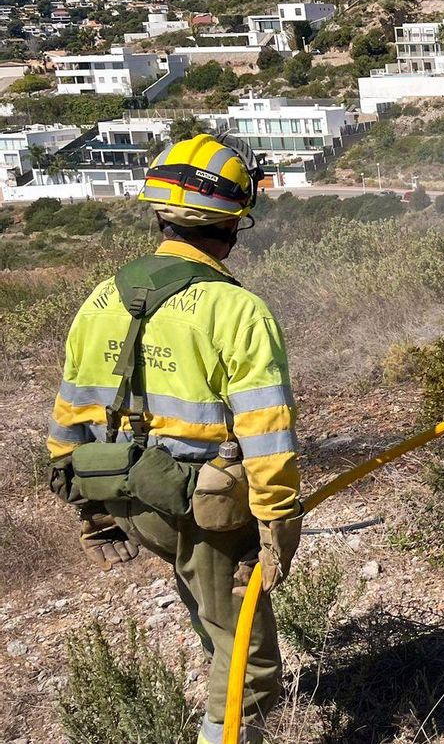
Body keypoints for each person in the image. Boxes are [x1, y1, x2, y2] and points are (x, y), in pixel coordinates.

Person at [46, 134, 301, 744]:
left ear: (160, 216)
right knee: (249, 663)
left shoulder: (101, 299)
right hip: (203, 510)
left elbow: (71, 413)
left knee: (212, 619)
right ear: (233, 224)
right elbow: (266, 431)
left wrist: (90, 510)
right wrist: (277, 523)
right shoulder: (236, 310)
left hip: (125, 497)